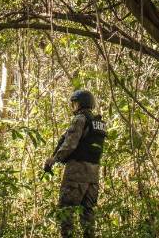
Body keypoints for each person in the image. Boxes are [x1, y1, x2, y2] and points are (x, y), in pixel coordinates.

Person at [44, 89, 107, 238]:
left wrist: (54, 159)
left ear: (81, 104)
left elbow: (70, 144)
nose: (74, 106)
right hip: (93, 175)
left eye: (75, 103)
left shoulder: (80, 119)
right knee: (88, 213)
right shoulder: (99, 123)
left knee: (66, 211)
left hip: (76, 173)